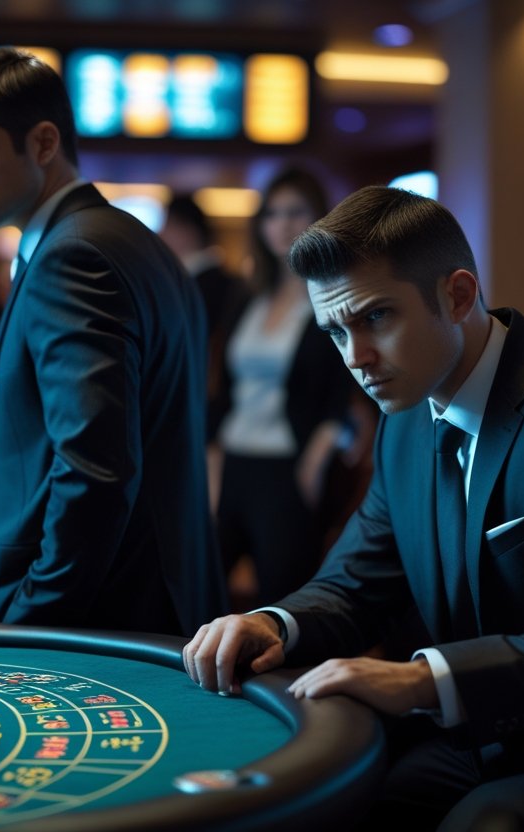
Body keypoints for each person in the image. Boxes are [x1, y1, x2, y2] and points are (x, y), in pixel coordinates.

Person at [183, 185, 524, 830]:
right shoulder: (410, 416)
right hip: (498, 736)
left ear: (458, 295)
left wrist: (418, 679)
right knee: (327, 798)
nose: (355, 359)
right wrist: (275, 623)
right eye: (336, 331)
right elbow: (357, 582)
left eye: (376, 318)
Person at [0, 46, 228, 635]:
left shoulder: (73, 258)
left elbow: (94, 473)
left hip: (103, 622)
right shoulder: (140, 242)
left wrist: (30, 622)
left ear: (42, 143)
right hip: (158, 600)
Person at [208, 166, 357, 608]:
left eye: (296, 212)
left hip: (287, 469)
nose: (283, 224)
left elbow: (343, 392)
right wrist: (212, 457)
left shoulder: (331, 297)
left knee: (283, 599)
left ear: (319, 220)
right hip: (234, 461)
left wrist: (317, 456)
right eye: (272, 213)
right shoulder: (247, 297)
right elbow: (223, 388)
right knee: (202, 595)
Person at [158, 193, 248, 404]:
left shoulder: (199, 285)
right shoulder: (220, 280)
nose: (161, 234)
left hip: (199, 395)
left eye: (168, 225)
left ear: (189, 230)